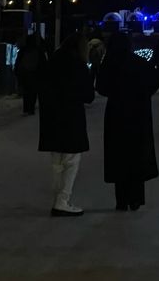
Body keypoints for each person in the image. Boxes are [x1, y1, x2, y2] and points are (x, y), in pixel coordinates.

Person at [97, 32, 159, 211]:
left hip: (117, 114)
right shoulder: (139, 62)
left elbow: (101, 87)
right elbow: (156, 78)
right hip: (138, 113)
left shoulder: (110, 63)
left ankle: (121, 199)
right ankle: (136, 198)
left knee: (119, 155)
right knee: (137, 154)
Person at [38, 32, 94, 217]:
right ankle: (62, 200)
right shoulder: (79, 66)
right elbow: (88, 95)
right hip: (71, 117)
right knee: (71, 160)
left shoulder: (52, 62)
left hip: (52, 118)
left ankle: (58, 198)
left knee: (57, 161)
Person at [15, 34, 48, 115]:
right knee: (33, 92)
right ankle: (31, 109)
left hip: (25, 74)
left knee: (26, 92)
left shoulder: (23, 50)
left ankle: (26, 109)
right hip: (35, 74)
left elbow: (18, 62)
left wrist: (17, 73)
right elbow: (44, 64)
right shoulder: (39, 50)